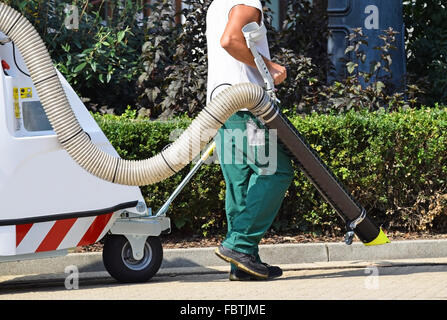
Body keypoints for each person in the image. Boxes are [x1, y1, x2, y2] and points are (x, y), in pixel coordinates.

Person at [206, 0, 294, 280]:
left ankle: (244, 264)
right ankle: (239, 246)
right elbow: (230, 40)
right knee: (276, 172)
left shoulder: (218, 4)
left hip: (222, 107)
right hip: (245, 106)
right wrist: (270, 67)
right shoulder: (247, 2)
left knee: (240, 186)